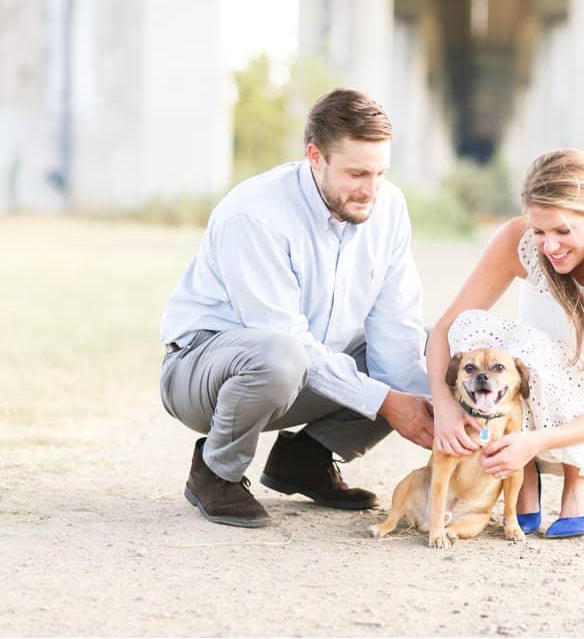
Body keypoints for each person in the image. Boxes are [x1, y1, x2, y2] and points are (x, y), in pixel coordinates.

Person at [159, 88, 434, 529]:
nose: (371, 191)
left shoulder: (390, 208)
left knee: (427, 345)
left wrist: (432, 414)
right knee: (282, 355)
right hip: (203, 372)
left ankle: (304, 460)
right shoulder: (255, 214)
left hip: (300, 370)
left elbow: (396, 331)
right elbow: (286, 340)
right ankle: (215, 474)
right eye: (357, 174)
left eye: (380, 173)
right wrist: (387, 402)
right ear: (315, 157)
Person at [426, 147, 584, 538]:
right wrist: (443, 407)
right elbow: (444, 331)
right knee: (475, 330)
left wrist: (536, 441)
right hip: (533, 395)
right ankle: (523, 470)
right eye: (539, 231)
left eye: (562, 231)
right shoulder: (517, 241)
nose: (549, 246)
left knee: (536, 351)